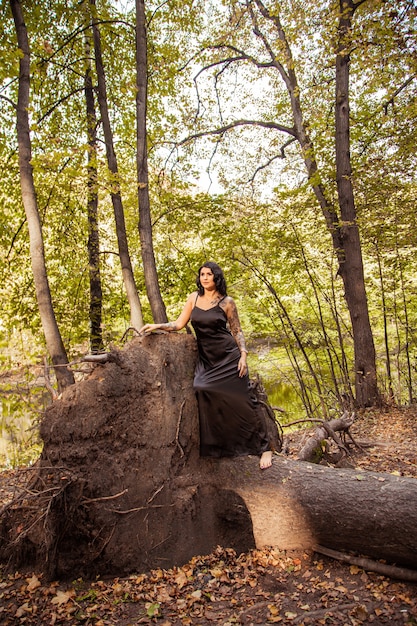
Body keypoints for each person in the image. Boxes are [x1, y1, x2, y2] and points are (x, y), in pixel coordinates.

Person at [139, 261, 273, 469]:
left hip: (228, 356)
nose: (205, 277)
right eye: (202, 274)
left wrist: (243, 356)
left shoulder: (227, 302)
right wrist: (157, 325)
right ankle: (221, 446)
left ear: (216, 277)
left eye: (209, 274)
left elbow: (237, 331)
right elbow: (178, 324)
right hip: (208, 359)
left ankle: (264, 448)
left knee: (244, 399)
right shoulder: (193, 298)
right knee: (202, 388)